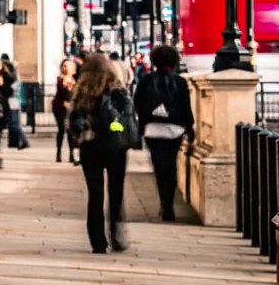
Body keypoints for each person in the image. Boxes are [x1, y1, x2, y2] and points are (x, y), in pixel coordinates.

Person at [68, 54, 135, 253]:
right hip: (116, 146)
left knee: (95, 194)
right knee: (116, 192)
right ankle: (117, 235)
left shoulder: (81, 91)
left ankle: (97, 241)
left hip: (91, 146)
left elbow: (72, 123)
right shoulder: (119, 91)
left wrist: (82, 136)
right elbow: (128, 116)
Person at [133, 45, 195, 222]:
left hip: (152, 129)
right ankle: (169, 204)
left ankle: (164, 204)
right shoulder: (180, 82)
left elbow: (137, 103)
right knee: (171, 166)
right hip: (174, 130)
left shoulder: (146, 80)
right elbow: (186, 109)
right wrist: (190, 132)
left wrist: (142, 125)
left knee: (159, 168)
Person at [52, 59, 78, 164]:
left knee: (71, 131)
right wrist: (67, 87)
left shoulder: (74, 80)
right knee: (62, 129)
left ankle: (72, 154)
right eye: (64, 66)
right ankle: (58, 153)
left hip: (71, 107)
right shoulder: (60, 79)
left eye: (68, 66)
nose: (66, 68)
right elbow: (62, 93)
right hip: (59, 107)